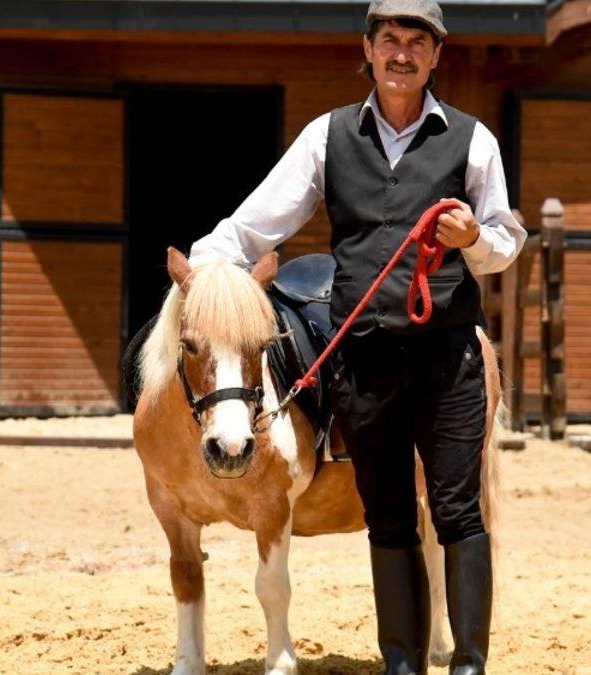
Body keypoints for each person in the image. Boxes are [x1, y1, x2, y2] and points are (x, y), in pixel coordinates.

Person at [189, 0, 526, 671]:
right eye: (390, 39)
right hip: (365, 362)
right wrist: (202, 271)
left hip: (449, 358)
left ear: (436, 56)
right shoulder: (327, 136)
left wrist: (472, 237)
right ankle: (401, 664)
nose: (402, 54)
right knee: (389, 515)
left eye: (418, 43)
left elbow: (505, 240)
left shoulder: (473, 140)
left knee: (457, 509)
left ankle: (467, 665)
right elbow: (256, 224)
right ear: (367, 50)